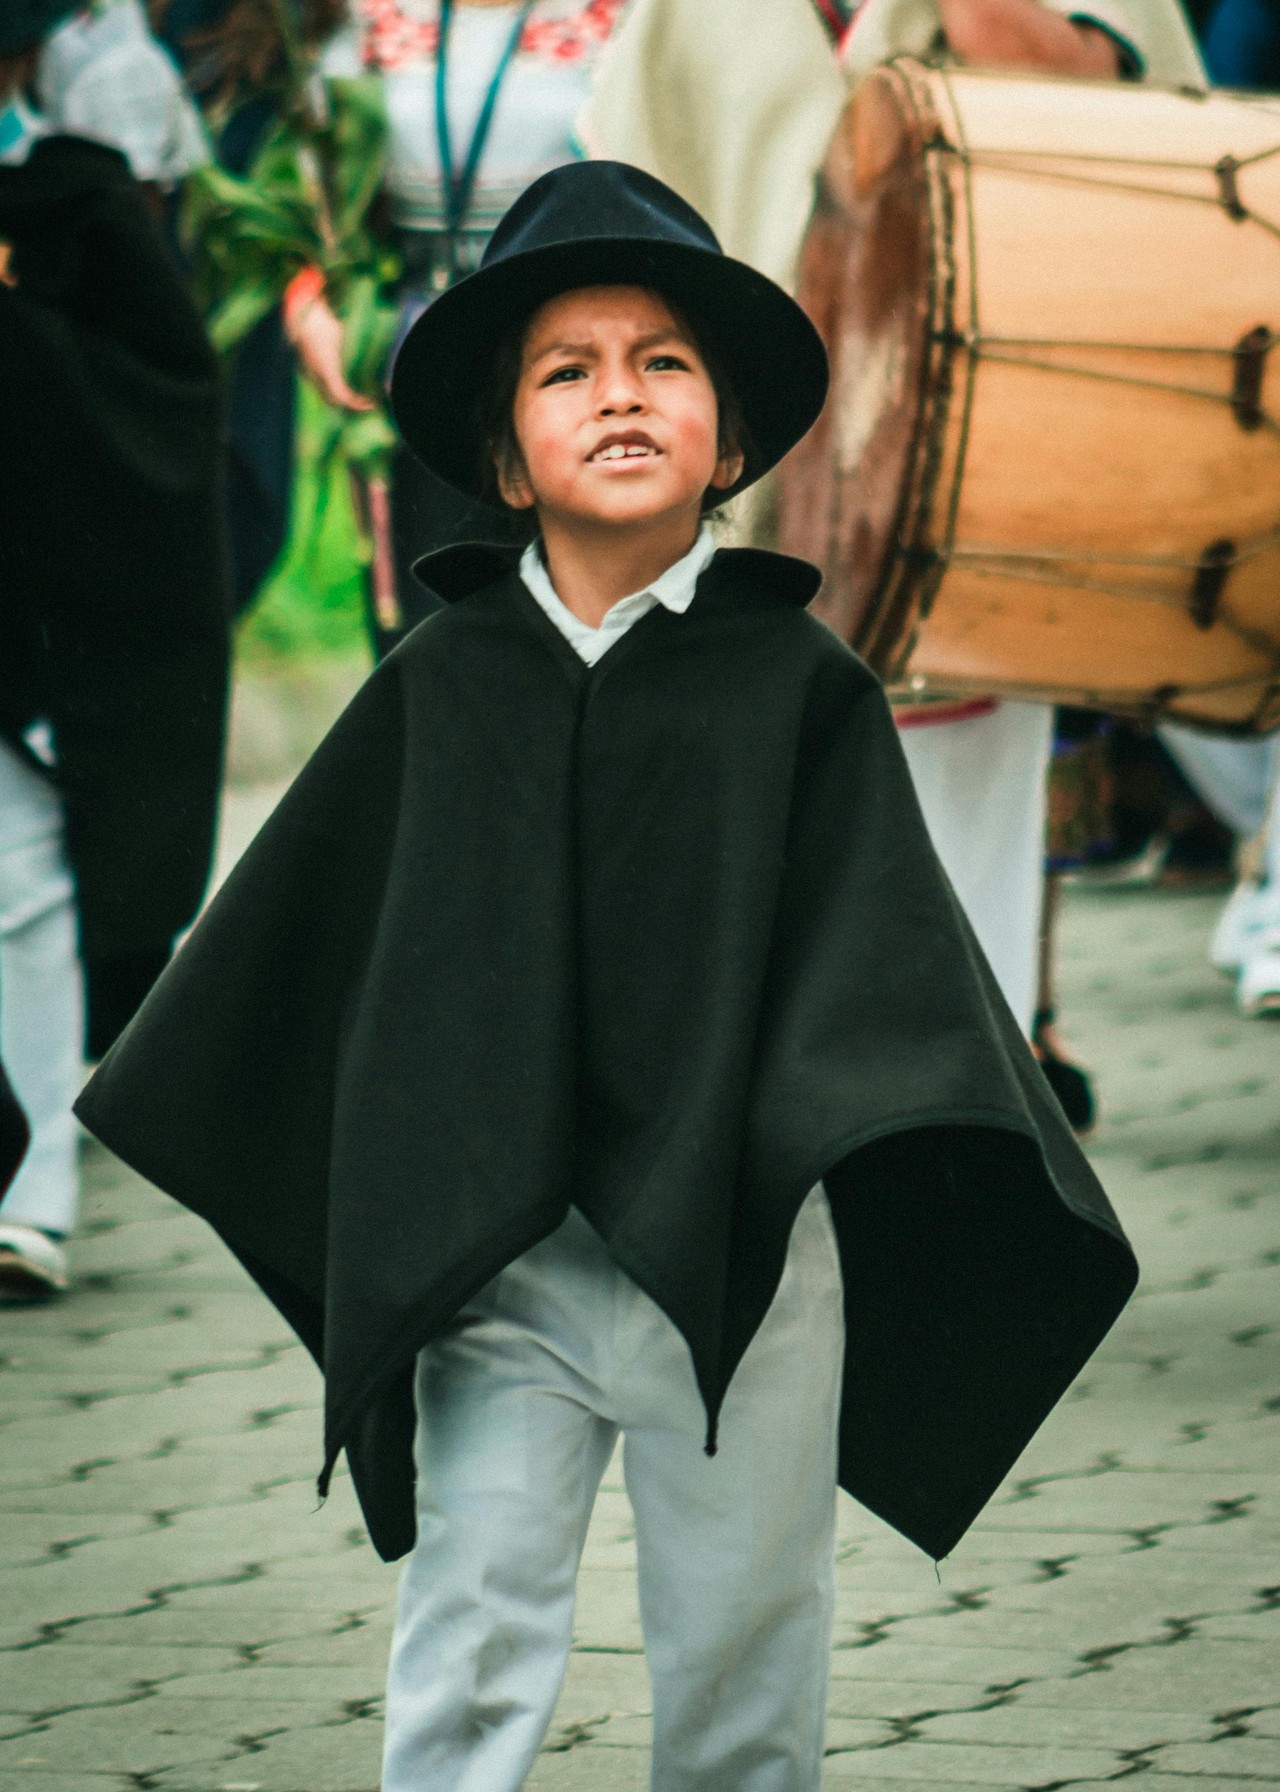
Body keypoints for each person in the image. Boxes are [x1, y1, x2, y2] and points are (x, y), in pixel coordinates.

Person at [78, 161, 1138, 1792]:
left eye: (664, 362)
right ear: (505, 457)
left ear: (731, 435)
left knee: (745, 1651)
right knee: (473, 1628)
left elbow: (895, 980)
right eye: (567, 372)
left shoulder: (801, 685)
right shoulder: (442, 682)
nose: (621, 395)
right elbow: (299, 961)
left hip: (751, 1262)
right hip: (501, 1270)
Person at [584, 0, 1205, 1052]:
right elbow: (626, 212)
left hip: (967, 484)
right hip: (746, 511)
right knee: (750, 904)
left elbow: (1108, 90)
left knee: (956, 894)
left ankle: (962, 1146)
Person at [0, 2, 230, 1301]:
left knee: (24, 885)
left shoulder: (71, 206)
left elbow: (164, 400)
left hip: (36, 608)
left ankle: (35, 1183)